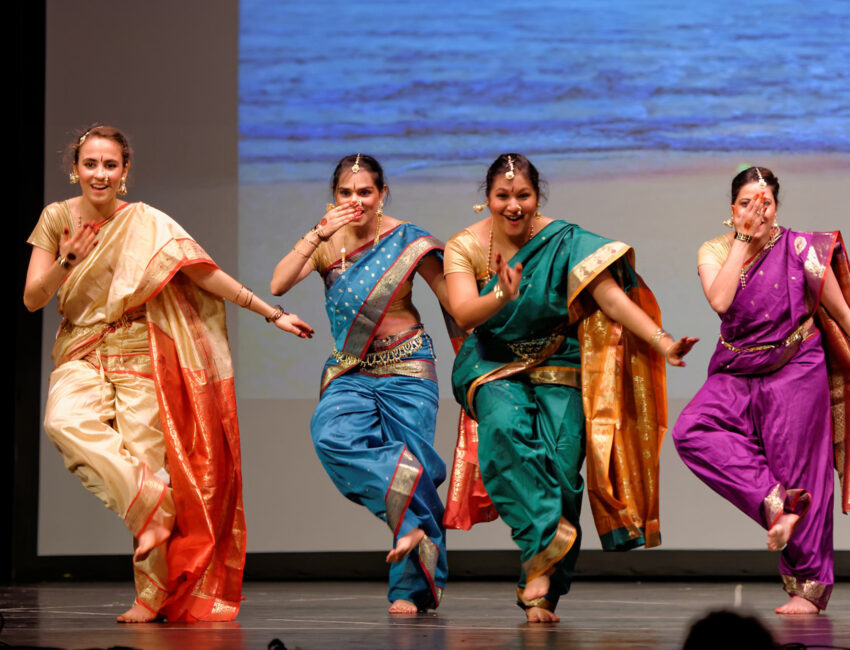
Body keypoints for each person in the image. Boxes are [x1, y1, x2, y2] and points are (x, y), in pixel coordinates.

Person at [24, 125, 314, 623]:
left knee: (147, 459)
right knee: (62, 421)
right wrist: (67, 260)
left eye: (110, 165)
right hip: (82, 348)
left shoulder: (145, 221)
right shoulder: (56, 218)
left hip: (140, 351)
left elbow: (201, 270)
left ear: (125, 172)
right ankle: (152, 506)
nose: (100, 174)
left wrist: (271, 312)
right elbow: (33, 300)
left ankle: (151, 595)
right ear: (75, 168)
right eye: (90, 164)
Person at [444, 153, 697, 622]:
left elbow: (611, 298)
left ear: (537, 198)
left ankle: (541, 587)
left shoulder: (564, 241)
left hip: (559, 359)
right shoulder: (466, 246)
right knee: (505, 430)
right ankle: (542, 554)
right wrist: (502, 294)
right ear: (487, 200)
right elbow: (462, 313)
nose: (513, 206)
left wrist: (662, 343)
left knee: (561, 466)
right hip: (493, 361)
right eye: (503, 196)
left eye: (523, 196)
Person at [270, 154, 451, 614]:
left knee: (416, 465)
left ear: (382, 194)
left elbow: (456, 301)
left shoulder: (410, 241)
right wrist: (317, 233)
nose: (356, 202)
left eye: (365, 192)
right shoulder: (325, 243)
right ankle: (410, 519)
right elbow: (278, 284)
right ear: (334, 198)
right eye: (346, 193)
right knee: (331, 436)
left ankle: (410, 589)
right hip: (352, 369)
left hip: (409, 367)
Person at [673, 166, 850, 615]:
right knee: (692, 431)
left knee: (800, 468)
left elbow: (844, 317)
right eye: (748, 203)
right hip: (736, 368)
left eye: (766, 202)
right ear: (733, 210)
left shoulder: (803, 250)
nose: (759, 210)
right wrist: (741, 241)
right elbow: (720, 300)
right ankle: (778, 505)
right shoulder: (714, 250)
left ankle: (808, 588)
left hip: (796, 365)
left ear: (777, 207)